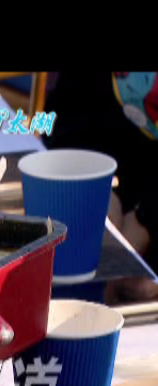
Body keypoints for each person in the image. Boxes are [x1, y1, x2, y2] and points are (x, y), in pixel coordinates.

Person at [43, 72, 158, 300]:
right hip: (108, 187)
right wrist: (93, 177)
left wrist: (146, 220)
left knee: (138, 289)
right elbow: (64, 116)